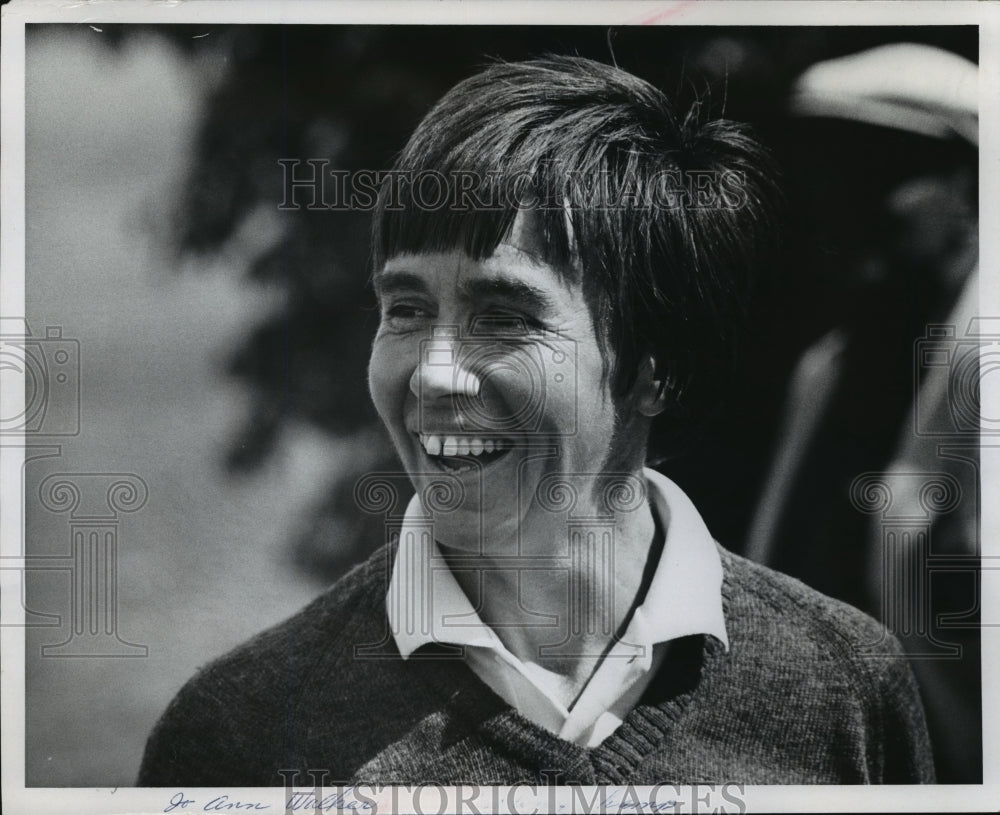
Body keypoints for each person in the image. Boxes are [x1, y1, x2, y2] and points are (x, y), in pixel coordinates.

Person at [138, 56, 934, 786]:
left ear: (659, 367)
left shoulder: (846, 686)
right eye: (406, 308)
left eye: (504, 316)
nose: (434, 371)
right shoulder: (241, 732)